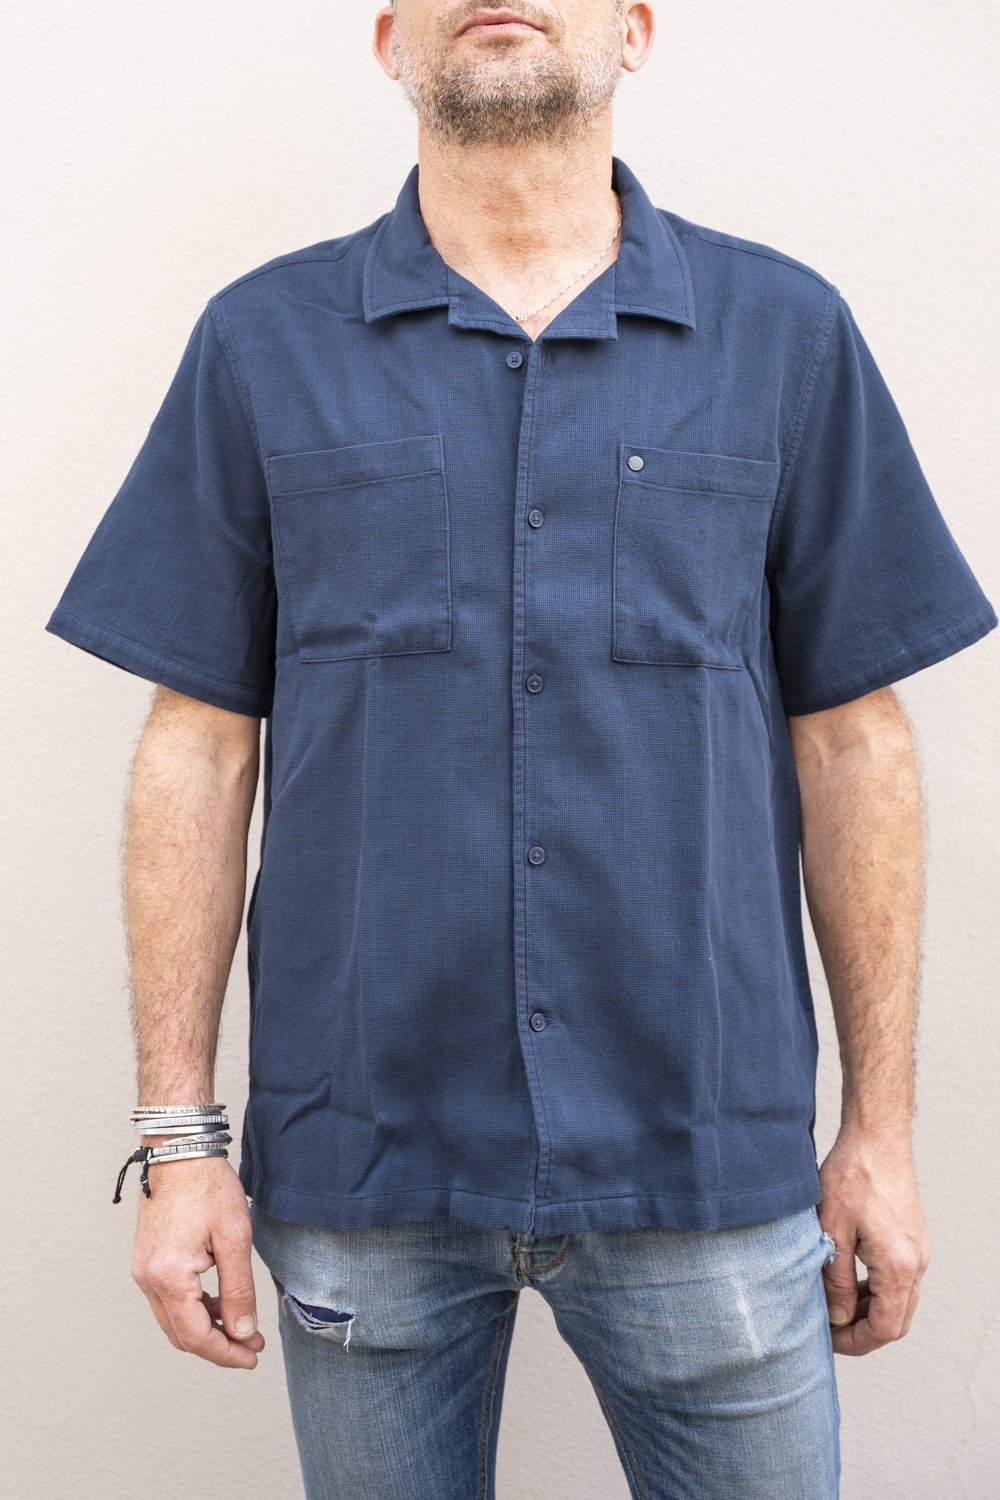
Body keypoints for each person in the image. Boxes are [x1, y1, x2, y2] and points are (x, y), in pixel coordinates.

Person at [47, 2, 995, 1496]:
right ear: (388, 41)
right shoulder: (260, 344)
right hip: (363, 1162)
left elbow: (854, 746)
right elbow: (198, 752)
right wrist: (181, 1143)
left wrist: (880, 1128)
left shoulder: (787, 335)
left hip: (708, 1155)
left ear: (636, 29)